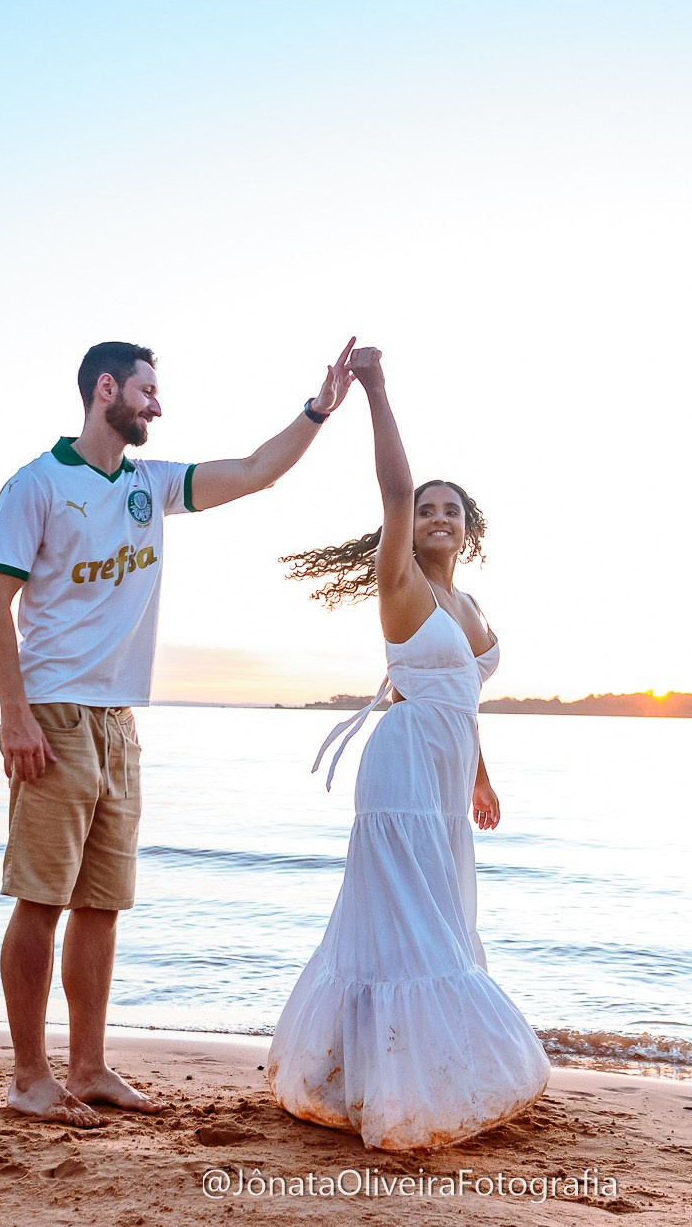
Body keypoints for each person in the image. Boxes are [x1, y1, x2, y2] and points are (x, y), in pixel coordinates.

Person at [0, 337, 355, 1127]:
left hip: (119, 722)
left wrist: (318, 409)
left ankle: (88, 1065)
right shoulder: (36, 484)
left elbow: (257, 470)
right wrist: (14, 714)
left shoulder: (153, 483)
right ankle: (28, 1076)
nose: (157, 404)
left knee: (102, 905)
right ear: (104, 388)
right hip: (52, 711)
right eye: (147, 390)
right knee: (41, 901)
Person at [266, 346, 549, 1151]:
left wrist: (482, 778)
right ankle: (396, 1087)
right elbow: (393, 488)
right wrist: (377, 391)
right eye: (426, 508)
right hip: (398, 774)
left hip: (445, 775)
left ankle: (384, 1069)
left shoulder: (471, 601)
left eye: (449, 511)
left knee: (441, 923)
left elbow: (467, 699)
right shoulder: (402, 581)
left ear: (469, 529)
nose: (434, 518)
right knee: (409, 929)